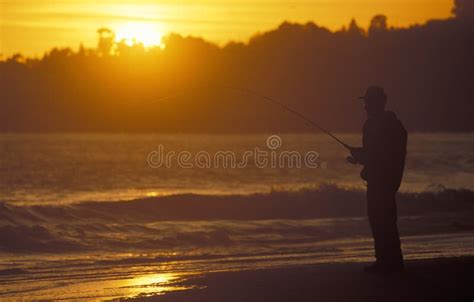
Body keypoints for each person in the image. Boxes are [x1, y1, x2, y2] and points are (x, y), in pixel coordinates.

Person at [347, 85, 407, 274]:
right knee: (385, 221)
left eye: (367, 103)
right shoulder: (395, 125)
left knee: (380, 221)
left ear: (376, 103)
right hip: (388, 181)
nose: (365, 107)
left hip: (380, 182)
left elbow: (377, 155)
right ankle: (392, 261)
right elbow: (379, 154)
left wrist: (360, 156)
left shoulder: (375, 125)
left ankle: (386, 262)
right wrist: (360, 156)